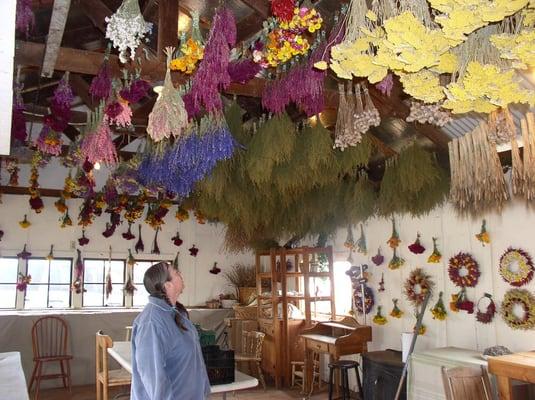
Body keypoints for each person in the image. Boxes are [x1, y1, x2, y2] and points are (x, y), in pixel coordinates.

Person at [131, 262, 210, 400]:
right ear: (167, 285)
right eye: (176, 272)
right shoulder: (152, 323)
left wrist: (203, 389)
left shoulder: (176, 313)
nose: (181, 274)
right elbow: (153, 378)